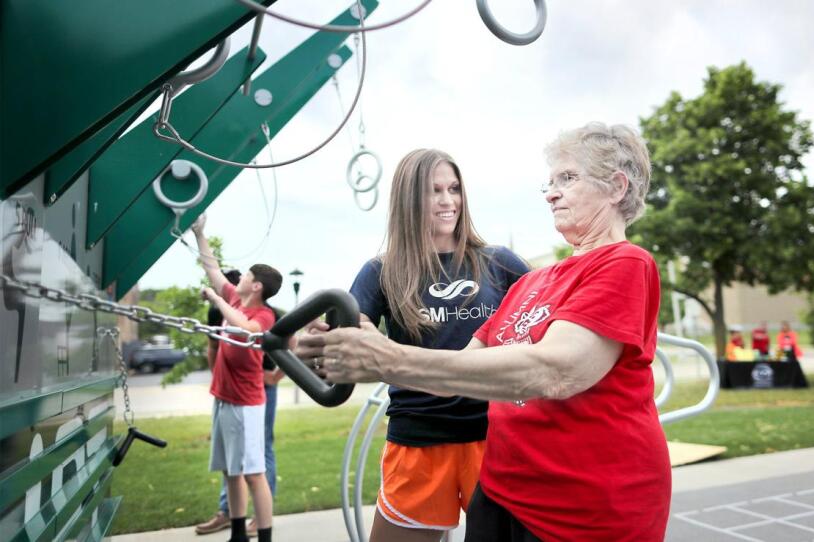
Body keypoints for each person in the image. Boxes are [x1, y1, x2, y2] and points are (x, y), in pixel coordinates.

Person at [299, 123, 670, 541]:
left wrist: (385, 358)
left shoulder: (623, 263)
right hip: (503, 493)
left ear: (617, 187)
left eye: (567, 179)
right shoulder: (533, 283)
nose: (550, 193)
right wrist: (348, 342)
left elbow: (558, 370)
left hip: (583, 504)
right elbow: (456, 371)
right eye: (549, 182)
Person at [303, 148, 529, 541]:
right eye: (434, 190)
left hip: (494, 438)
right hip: (418, 441)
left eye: (454, 189)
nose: (448, 201)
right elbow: (352, 334)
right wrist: (322, 342)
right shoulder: (381, 271)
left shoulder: (500, 263)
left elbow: (545, 319)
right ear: (409, 199)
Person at [191, 214, 282, 542]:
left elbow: (245, 329)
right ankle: (238, 534)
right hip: (224, 399)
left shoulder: (263, 315)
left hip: (246, 405)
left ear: (256, 285)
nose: (239, 277)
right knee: (231, 471)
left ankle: (265, 536)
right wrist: (201, 234)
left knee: (254, 474)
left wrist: (216, 301)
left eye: (246, 275)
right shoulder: (234, 299)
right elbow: (212, 268)